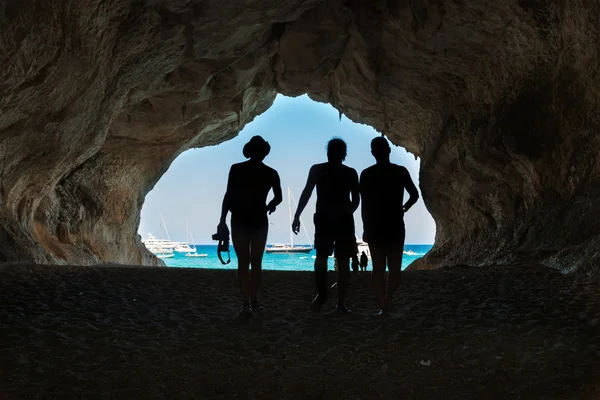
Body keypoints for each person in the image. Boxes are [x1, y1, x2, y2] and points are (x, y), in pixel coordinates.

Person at [292, 138, 359, 313]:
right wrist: (344, 213)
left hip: (323, 219)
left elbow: (307, 192)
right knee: (343, 261)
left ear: (328, 152)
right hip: (343, 220)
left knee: (321, 258)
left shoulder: (317, 170)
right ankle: (340, 304)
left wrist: (297, 215)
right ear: (344, 154)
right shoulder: (350, 173)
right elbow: (356, 201)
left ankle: (322, 295)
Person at [217, 136, 282, 316]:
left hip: (238, 219)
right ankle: (253, 299)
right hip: (260, 220)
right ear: (263, 153)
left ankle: (246, 303)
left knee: (243, 263)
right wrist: (270, 206)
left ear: (250, 151)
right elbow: (279, 197)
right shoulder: (271, 173)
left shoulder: (237, 169)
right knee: (256, 262)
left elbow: (228, 196)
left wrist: (222, 219)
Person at [359, 137, 419, 316]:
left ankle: (383, 305)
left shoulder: (367, 174)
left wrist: (365, 227)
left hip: (375, 225)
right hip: (395, 225)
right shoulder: (400, 171)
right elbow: (414, 195)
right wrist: (403, 208)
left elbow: (365, 204)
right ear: (389, 150)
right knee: (394, 268)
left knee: (377, 268)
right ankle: (389, 301)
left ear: (372, 153)